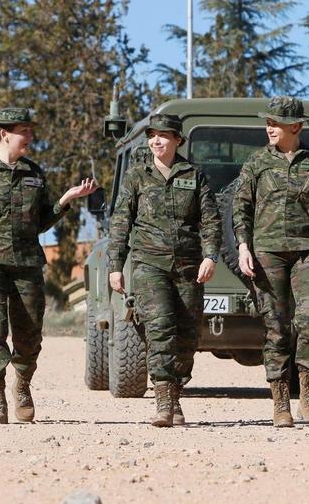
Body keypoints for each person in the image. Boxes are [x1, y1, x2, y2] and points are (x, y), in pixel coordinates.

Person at [0, 107, 98, 425]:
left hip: (28, 263)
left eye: (30, 131)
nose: (30, 137)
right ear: (5, 134)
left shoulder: (34, 173)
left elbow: (41, 222)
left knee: (29, 334)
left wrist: (67, 198)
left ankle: (23, 384)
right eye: (24, 131)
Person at [233, 96, 309, 427]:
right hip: (267, 253)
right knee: (276, 328)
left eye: (276, 123)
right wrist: (242, 246)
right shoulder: (255, 164)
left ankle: (308, 399)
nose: (269, 127)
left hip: (308, 251)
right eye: (268, 122)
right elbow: (241, 209)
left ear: (296, 127)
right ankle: (280, 404)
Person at [107, 113, 221, 427]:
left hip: (187, 265)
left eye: (164, 136)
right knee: (160, 328)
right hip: (148, 265)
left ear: (178, 140)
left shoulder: (193, 175)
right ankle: (162, 403)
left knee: (187, 335)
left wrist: (210, 256)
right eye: (153, 135)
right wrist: (115, 266)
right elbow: (120, 223)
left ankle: (175, 394)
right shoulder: (136, 176)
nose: (157, 141)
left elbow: (210, 219)